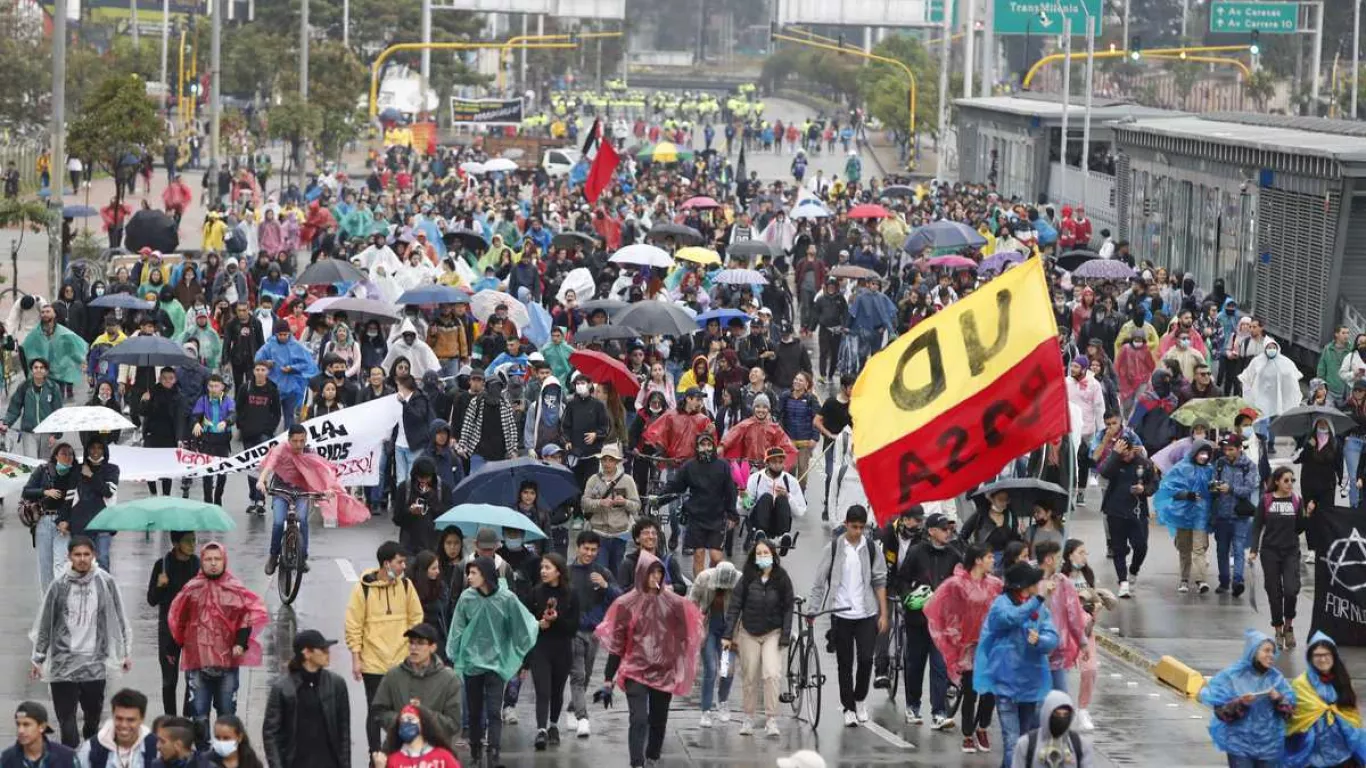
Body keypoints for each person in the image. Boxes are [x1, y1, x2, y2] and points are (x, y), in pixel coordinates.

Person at [596, 551, 705, 768]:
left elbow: (685, 636)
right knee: (638, 718)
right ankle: (637, 763)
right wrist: (608, 678)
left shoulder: (673, 604)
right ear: (641, 574)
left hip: (664, 670)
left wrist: (678, 662)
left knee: (658, 719)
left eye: (659, 573)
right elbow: (617, 644)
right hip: (635, 670)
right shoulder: (627, 604)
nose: (656, 577)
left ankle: (652, 757)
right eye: (651, 572)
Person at [31, 536, 133, 748]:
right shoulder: (58, 586)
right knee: (67, 722)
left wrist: (124, 652)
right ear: (69, 556)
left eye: (86, 554)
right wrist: (38, 658)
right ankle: (71, 757)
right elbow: (45, 623)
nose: (82, 559)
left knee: (92, 720)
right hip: (63, 663)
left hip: (94, 663)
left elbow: (119, 617)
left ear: (93, 555)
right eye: (77, 554)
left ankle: (89, 741)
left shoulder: (105, 582)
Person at [166, 542, 268, 748]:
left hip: (227, 663)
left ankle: (225, 755)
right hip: (198, 663)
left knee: (227, 716)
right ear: (202, 561)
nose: (213, 564)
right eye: (208, 559)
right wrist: (173, 648)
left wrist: (240, 643)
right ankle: (203, 756)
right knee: (199, 717)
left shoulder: (234, 588)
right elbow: (178, 619)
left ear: (224, 561)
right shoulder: (191, 590)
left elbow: (246, 616)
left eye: (217, 559)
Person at [446, 557, 538, 768]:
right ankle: (476, 752)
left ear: (486, 575)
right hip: (472, 663)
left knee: (494, 710)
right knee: (474, 711)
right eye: (468, 573)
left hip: (496, 663)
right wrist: (453, 653)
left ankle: (494, 753)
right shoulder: (466, 598)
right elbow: (457, 627)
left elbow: (521, 625)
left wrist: (522, 655)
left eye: (473, 573)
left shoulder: (507, 598)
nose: (469, 578)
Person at [807, 504, 889, 727]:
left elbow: (880, 581)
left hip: (866, 613)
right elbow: (819, 582)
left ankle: (860, 699)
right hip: (840, 614)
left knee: (866, 659)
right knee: (845, 663)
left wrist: (883, 613)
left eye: (862, 527)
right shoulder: (833, 548)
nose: (858, 531)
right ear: (846, 524)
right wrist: (813, 609)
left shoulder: (871, 548)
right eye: (854, 527)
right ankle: (848, 707)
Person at [974, 561, 1059, 768]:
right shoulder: (1001, 605)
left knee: (1024, 742)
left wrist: (1040, 640)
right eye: (1034, 582)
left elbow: (1053, 637)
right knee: (1012, 742)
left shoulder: (1040, 608)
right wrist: (1038, 600)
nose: (1037, 585)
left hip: (1031, 684)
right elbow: (1011, 618)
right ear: (1023, 585)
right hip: (1006, 684)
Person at [345, 541, 425, 755]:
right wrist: (356, 658)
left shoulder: (406, 586)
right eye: (400, 562)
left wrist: (413, 650)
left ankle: (398, 752)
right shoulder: (363, 589)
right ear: (386, 563)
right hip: (373, 663)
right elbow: (354, 625)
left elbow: (416, 618)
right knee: (375, 712)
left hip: (401, 662)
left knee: (403, 711)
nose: (403, 566)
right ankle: (375, 755)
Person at [925, 544, 1004, 754]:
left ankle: (983, 728)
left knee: (990, 692)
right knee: (971, 691)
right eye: (989, 557)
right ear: (978, 560)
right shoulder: (956, 584)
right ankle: (968, 734)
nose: (993, 560)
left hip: (990, 645)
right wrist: (952, 634)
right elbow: (938, 607)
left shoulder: (995, 584)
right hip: (968, 647)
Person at [898, 512, 963, 729]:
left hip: (942, 623)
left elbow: (961, 584)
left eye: (950, 529)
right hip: (917, 620)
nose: (948, 533)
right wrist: (909, 598)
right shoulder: (916, 552)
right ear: (932, 531)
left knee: (939, 666)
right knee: (915, 664)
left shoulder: (954, 555)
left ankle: (939, 712)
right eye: (943, 529)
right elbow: (902, 580)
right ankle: (912, 706)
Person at [724, 539, 794, 738]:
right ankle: (748, 717)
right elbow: (735, 606)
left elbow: (788, 607)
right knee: (750, 676)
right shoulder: (747, 577)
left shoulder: (781, 578)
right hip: (749, 632)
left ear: (773, 555)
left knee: (771, 674)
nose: (763, 556)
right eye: (759, 553)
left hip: (773, 632)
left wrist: (785, 635)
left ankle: (771, 719)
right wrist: (728, 635)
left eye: (766, 553)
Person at [1199, 629, 1295, 767]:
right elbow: (1221, 713)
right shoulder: (1232, 676)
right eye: (1266, 651)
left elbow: (1290, 713)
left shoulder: (1277, 679)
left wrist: (1278, 698)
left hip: (1270, 747)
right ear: (1253, 652)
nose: (1271, 655)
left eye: (1273, 652)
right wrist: (1241, 703)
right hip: (1240, 747)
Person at [261, 630, 350, 768]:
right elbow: (271, 733)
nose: (328, 653)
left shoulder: (336, 684)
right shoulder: (283, 688)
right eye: (323, 650)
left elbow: (344, 732)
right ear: (307, 653)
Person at [369, 623, 463, 754]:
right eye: (411, 642)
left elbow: (453, 723)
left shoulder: (449, 679)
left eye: (420, 643)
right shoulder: (393, 675)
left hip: (435, 752)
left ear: (433, 647)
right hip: (399, 750)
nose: (414, 647)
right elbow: (379, 711)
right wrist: (402, 721)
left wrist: (422, 717)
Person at [566, 530, 621, 739]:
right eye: (586, 548)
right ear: (578, 548)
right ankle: (583, 718)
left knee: (586, 675)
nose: (589, 553)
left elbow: (620, 599)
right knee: (578, 675)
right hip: (573, 632)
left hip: (595, 633)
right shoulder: (567, 572)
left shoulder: (603, 572)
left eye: (593, 549)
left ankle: (573, 708)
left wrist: (606, 586)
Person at [1284, 633, 1366, 768]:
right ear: (1310, 658)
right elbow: (1293, 717)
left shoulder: (1342, 680)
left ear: (1334, 656)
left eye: (1326, 654)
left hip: (1344, 753)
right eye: (1317, 655)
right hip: (1313, 755)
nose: (1322, 659)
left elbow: (1351, 713)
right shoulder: (1301, 684)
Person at [662, 432, 738, 577]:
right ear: (697, 447)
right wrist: (659, 499)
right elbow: (675, 486)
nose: (706, 448)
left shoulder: (723, 465)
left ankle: (711, 578)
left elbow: (730, 491)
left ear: (714, 446)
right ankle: (700, 587)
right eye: (702, 445)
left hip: (717, 516)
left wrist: (732, 514)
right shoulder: (689, 466)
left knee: (716, 557)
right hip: (696, 516)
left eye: (709, 445)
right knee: (699, 554)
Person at [1250, 466, 1308, 651]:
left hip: (1290, 551)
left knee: (1291, 590)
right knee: (1274, 593)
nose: (1290, 484)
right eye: (1286, 480)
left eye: (1292, 480)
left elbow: (1300, 528)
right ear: (1276, 481)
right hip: (1270, 552)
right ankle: (1278, 629)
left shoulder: (1297, 500)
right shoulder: (1266, 500)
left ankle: (1288, 626)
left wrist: (1307, 515)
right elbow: (1257, 525)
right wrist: (1254, 549)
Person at [526, 552, 580, 750]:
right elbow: (527, 619)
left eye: (547, 568)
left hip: (562, 648)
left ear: (558, 571)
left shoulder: (571, 594)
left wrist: (557, 620)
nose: (543, 571)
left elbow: (573, 627)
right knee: (543, 690)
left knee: (557, 690)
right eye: (542, 567)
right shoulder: (536, 592)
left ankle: (553, 725)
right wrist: (538, 623)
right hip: (541, 647)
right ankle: (541, 729)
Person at [146, 532, 199, 717]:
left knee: (192, 678)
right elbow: (151, 600)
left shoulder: (198, 565)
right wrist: (160, 586)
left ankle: (186, 719)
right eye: (187, 541)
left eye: (194, 540)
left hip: (192, 628)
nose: (192, 544)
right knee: (169, 679)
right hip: (168, 630)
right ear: (176, 544)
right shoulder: (162, 565)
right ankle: (170, 718)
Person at [1155, 440, 1216, 594]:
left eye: (1206, 454)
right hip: (1182, 514)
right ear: (1195, 453)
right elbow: (1168, 488)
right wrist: (1186, 495)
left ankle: (1201, 580)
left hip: (1200, 515)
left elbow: (1211, 491)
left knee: (1199, 548)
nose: (1203, 457)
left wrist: (1213, 489)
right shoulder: (1181, 468)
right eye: (1201, 453)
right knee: (1184, 548)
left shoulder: (1210, 470)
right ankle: (1184, 579)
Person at [23, 441, 81, 593]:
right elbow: (27, 491)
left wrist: (67, 521)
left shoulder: (76, 473)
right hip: (44, 521)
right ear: (56, 455)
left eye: (70, 454)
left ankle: (62, 600)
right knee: (45, 566)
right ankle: (48, 602)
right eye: (63, 453)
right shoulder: (43, 470)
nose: (67, 457)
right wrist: (45, 492)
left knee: (62, 564)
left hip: (63, 524)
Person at [689, 559, 740, 729]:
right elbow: (692, 602)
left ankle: (723, 701)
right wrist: (696, 625)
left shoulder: (740, 582)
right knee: (710, 669)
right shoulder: (703, 579)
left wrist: (737, 637)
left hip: (728, 631)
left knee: (727, 669)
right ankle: (706, 710)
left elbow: (745, 610)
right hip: (709, 627)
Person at [1209, 434, 1260, 597]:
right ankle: (1224, 581)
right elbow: (1212, 485)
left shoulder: (1249, 466)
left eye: (1231, 449)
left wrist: (1230, 489)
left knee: (1238, 548)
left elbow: (1248, 489)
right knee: (1221, 550)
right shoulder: (1220, 464)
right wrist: (1215, 487)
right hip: (1221, 514)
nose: (1227, 452)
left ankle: (1238, 581)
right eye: (1225, 449)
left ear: (1239, 449)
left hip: (1240, 515)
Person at [580, 443, 640, 575]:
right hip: (598, 533)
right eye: (604, 460)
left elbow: (637, 505)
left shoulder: (627, 480)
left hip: (620, 534)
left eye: (611, 460)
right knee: (601, 572)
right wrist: (600, 502)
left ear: (617, 462)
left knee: (617, 572)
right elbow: (584, 503)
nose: (607, 463)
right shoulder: (593, 480)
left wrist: (625, 502)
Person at [255, 320, 318, 428]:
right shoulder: (269, 346)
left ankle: (288, 435)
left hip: (291, 388)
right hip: (273, 388)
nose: (283, 337)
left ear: (289, 333)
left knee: (289, 415)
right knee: (272, 415)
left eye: (285, 334)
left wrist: (292, 368)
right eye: (280, 334)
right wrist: (266, 363)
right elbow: (257, 360)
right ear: (276, 334)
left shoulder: (296, 346)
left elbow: (306, 364)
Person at [1009, 690, 1095, 768]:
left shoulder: (1081, 745)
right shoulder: (1026, 744)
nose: (1061, 719)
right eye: (1056, 714)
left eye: (1065, 715)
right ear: (1046, 714)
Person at [744, 446, 806, 555]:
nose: (777, 465)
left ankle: (783, 537)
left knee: (782, 498)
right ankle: (760, 533)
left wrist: (788, 497)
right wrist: (743, 499)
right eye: (774, 462)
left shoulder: (790, 481)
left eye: (780, 462)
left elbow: (800, 511)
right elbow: (746, 507)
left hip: (779, 522)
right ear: (767, 463)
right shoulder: (755, 478)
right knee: (766, 497)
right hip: (759, 519)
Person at [1, 357, 64, 458]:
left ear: (46, 371)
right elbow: (14, 407)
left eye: (42, 368)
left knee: (45, 463)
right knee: (31, 462)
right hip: (29, 432)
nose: (38, 370)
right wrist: (6, 422)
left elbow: (58, 412)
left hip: (47, 433)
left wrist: (55, 434)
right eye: (36, 367)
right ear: (31, 370)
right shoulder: (24, 387)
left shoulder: (53, 388)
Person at [392, 457, 451, 557]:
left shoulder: (443, 489)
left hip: (434, 545)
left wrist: (432, 499)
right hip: (409, 546)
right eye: (420, 478)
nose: (423, 481)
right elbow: (397, 519)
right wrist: (410, 512)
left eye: (427, 478)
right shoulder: (404, 488)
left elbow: (448, 517)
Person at [139, 367, 185, 496]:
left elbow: (180, 419)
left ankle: (166, 495)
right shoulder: (152, 392)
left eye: (170, 378)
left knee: (167, 468)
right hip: (152, 434)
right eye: (164, 378)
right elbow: (142, 412)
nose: (167, 381)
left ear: (175, 379)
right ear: (159, 379)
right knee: (149, 467)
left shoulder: (179, 396)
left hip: (169, 437)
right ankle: (153, 492)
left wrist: (179, 438)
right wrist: (145, 401)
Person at [372, 705, 461, 768]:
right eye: (402, 721)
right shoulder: (393, 760)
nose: (406, 723)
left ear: (423, 724)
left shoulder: (443, 757)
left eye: (410, 719)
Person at [4, 702, 76, 768]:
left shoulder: (66, 757)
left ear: (42, 727)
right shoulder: (7, 758)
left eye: (26, 725)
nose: (20, 730)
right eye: (18, 724)